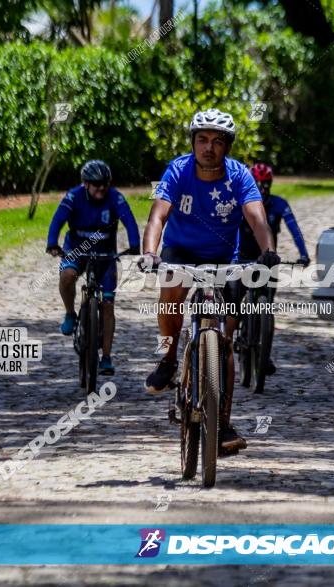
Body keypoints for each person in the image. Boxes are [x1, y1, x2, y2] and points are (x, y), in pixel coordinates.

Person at [138, 108, 279, 453]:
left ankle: (223, 424)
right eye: (202, 140)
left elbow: (256, 216)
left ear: (227, 146)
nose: (209, 148)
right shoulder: (178, 169)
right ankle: (170, 360)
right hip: (180, 251)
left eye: (217, 141)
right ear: (193, 143)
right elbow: (158, 214)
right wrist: (148, 252)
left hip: (223, 259)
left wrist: (268, 251)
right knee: (170, 289)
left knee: (226, 338)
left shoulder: (239, 175)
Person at [46, 160, 140, 375]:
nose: (101, 188)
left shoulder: (115, 197)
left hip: (106, 254)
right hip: (77, 249)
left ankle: (106, 357)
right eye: (96, 184)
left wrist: (135, 246)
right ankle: (70, 313)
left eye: (105, 184)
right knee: (67, 275)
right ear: (85, 184)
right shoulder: (74, 196)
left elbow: (130, 222)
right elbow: (58, 219)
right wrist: (52, 242)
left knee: (108, 304)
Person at [229, 162, 310, 375]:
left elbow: (295, 230)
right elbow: (231, 230)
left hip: (267, 259)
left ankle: (264, 352)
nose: (263, 189)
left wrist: (303, 254)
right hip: (241, 257)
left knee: (266, 305)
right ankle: (229, 342)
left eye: (266, 184)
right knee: (234, 304)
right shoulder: (241, 204)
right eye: (258, 184)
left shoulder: (279, 204)